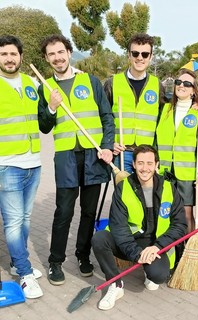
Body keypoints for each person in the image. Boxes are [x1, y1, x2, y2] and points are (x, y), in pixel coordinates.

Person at [37, 34, 115, 286]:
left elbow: (107, 118)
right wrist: (50, 107)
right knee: (64, 212)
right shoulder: (45, 87)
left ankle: (83, 256)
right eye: (52, 54)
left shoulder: (91, 81)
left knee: (89, 212)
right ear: (47, 59)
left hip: (94, 156)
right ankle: (55, 261)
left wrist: (107, 148)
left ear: (69, 52)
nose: (57, 57)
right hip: (66, 157)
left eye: (61, 52)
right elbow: (44, 126)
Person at [92, 144, 187, 311]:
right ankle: (115, 284)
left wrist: (157, 247)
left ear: (157, 165)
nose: (145, 168)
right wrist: (137, 254)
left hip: (155, 244)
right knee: (99, 239)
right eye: (140, 163)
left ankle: (149, 271)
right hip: (130, 240)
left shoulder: (169, 188)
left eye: (150, 163)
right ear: (134, 164)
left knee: (158, 276)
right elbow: (119, 228)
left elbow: (180, 225)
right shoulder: (124, 187)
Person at [0, 35, 43, 298]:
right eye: (3, 54)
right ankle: (25, 274)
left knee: (25, 219)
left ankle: (18, 262)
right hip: (7, 165)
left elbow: (45, 113)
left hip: (33, 163)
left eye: (13, 54)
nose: (8, 58)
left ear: (21, 57)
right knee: (14, 222)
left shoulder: (31, 83)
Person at [156, 69, 198, 233]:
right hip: (164, 171)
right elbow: (155, 139)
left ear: (194, 90)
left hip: (187, 174)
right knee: (165, 213)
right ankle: (171, 252)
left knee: (186, 215)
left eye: (187, 84)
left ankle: (188, 254)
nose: (181, 86)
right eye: (178, 82)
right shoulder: (164, 109)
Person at [104, 33, 166, 174]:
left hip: (147, 153)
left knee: (145, 195)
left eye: (145, 54)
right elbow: (102, 117)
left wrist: (194, 104)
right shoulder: (112, 83)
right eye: (135, 53)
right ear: (129, 55)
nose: (140, 58)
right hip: (122, 152)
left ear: (150, 57)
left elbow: (166, 116)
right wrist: (109, 143)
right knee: (125, 194)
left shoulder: (157, 85)